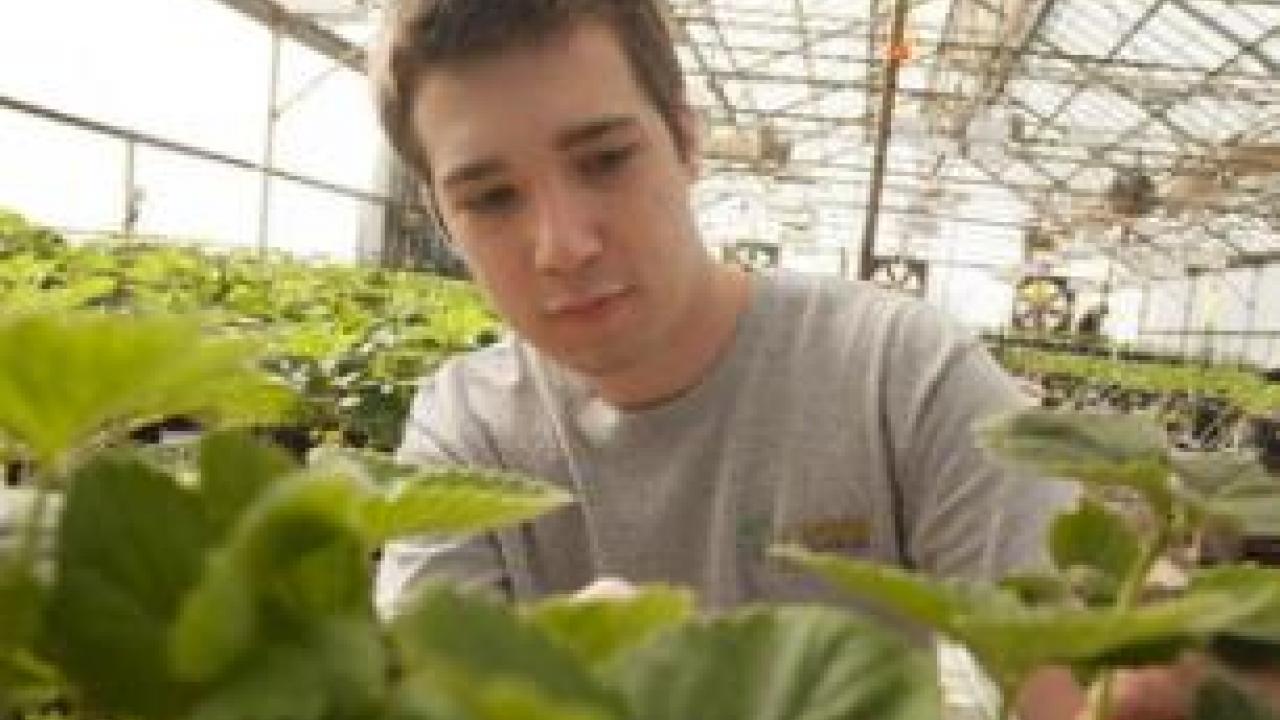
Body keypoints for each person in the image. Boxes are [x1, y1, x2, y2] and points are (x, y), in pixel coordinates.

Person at [365, 2, 1277, 718]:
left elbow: (1059, 679)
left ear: (686, 141)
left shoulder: (894, 367)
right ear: (444, 221)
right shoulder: (466, 427)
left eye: (604, 159)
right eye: (490, 198)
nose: (560, 244)